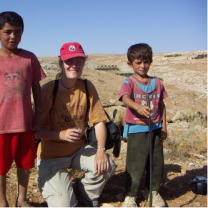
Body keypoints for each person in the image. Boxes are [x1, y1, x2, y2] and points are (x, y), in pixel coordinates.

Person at [36, 42, 116, 207]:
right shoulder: (49, 90)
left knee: (107, 165)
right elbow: (35, 130)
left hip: (79, 150)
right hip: (51, 156)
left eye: (78, 61)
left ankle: (85, 191)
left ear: (83, 63)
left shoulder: (87, 87)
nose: (74, 65)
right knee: (65, 205)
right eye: (69, 61)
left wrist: (101, 150)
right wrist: (61, 135)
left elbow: (99, 122)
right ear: (61, 64)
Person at [0, 11, 46, 207]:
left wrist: (39, 112)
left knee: (25, 164)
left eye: (18, 32)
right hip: (2, 125)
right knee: (1, 167)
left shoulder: (29, 58)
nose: (13, 37)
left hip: (26, 122)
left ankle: (22, 199)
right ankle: (2, 201)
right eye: (8, 32)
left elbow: (36, 86)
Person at [119, 43, 168, 207]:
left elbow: (162, 105)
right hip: (137, 128)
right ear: (130, 64)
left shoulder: (158, 83)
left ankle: (152, 191)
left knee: (156, 161)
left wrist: (164, 126)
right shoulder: (129, 82)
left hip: (155, 128)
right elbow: (125, 98)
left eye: (146, 61)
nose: (142, 66)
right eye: (138, 62)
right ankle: (131, 195)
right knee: (136, 163)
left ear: (150, 62)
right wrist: (138, 107)